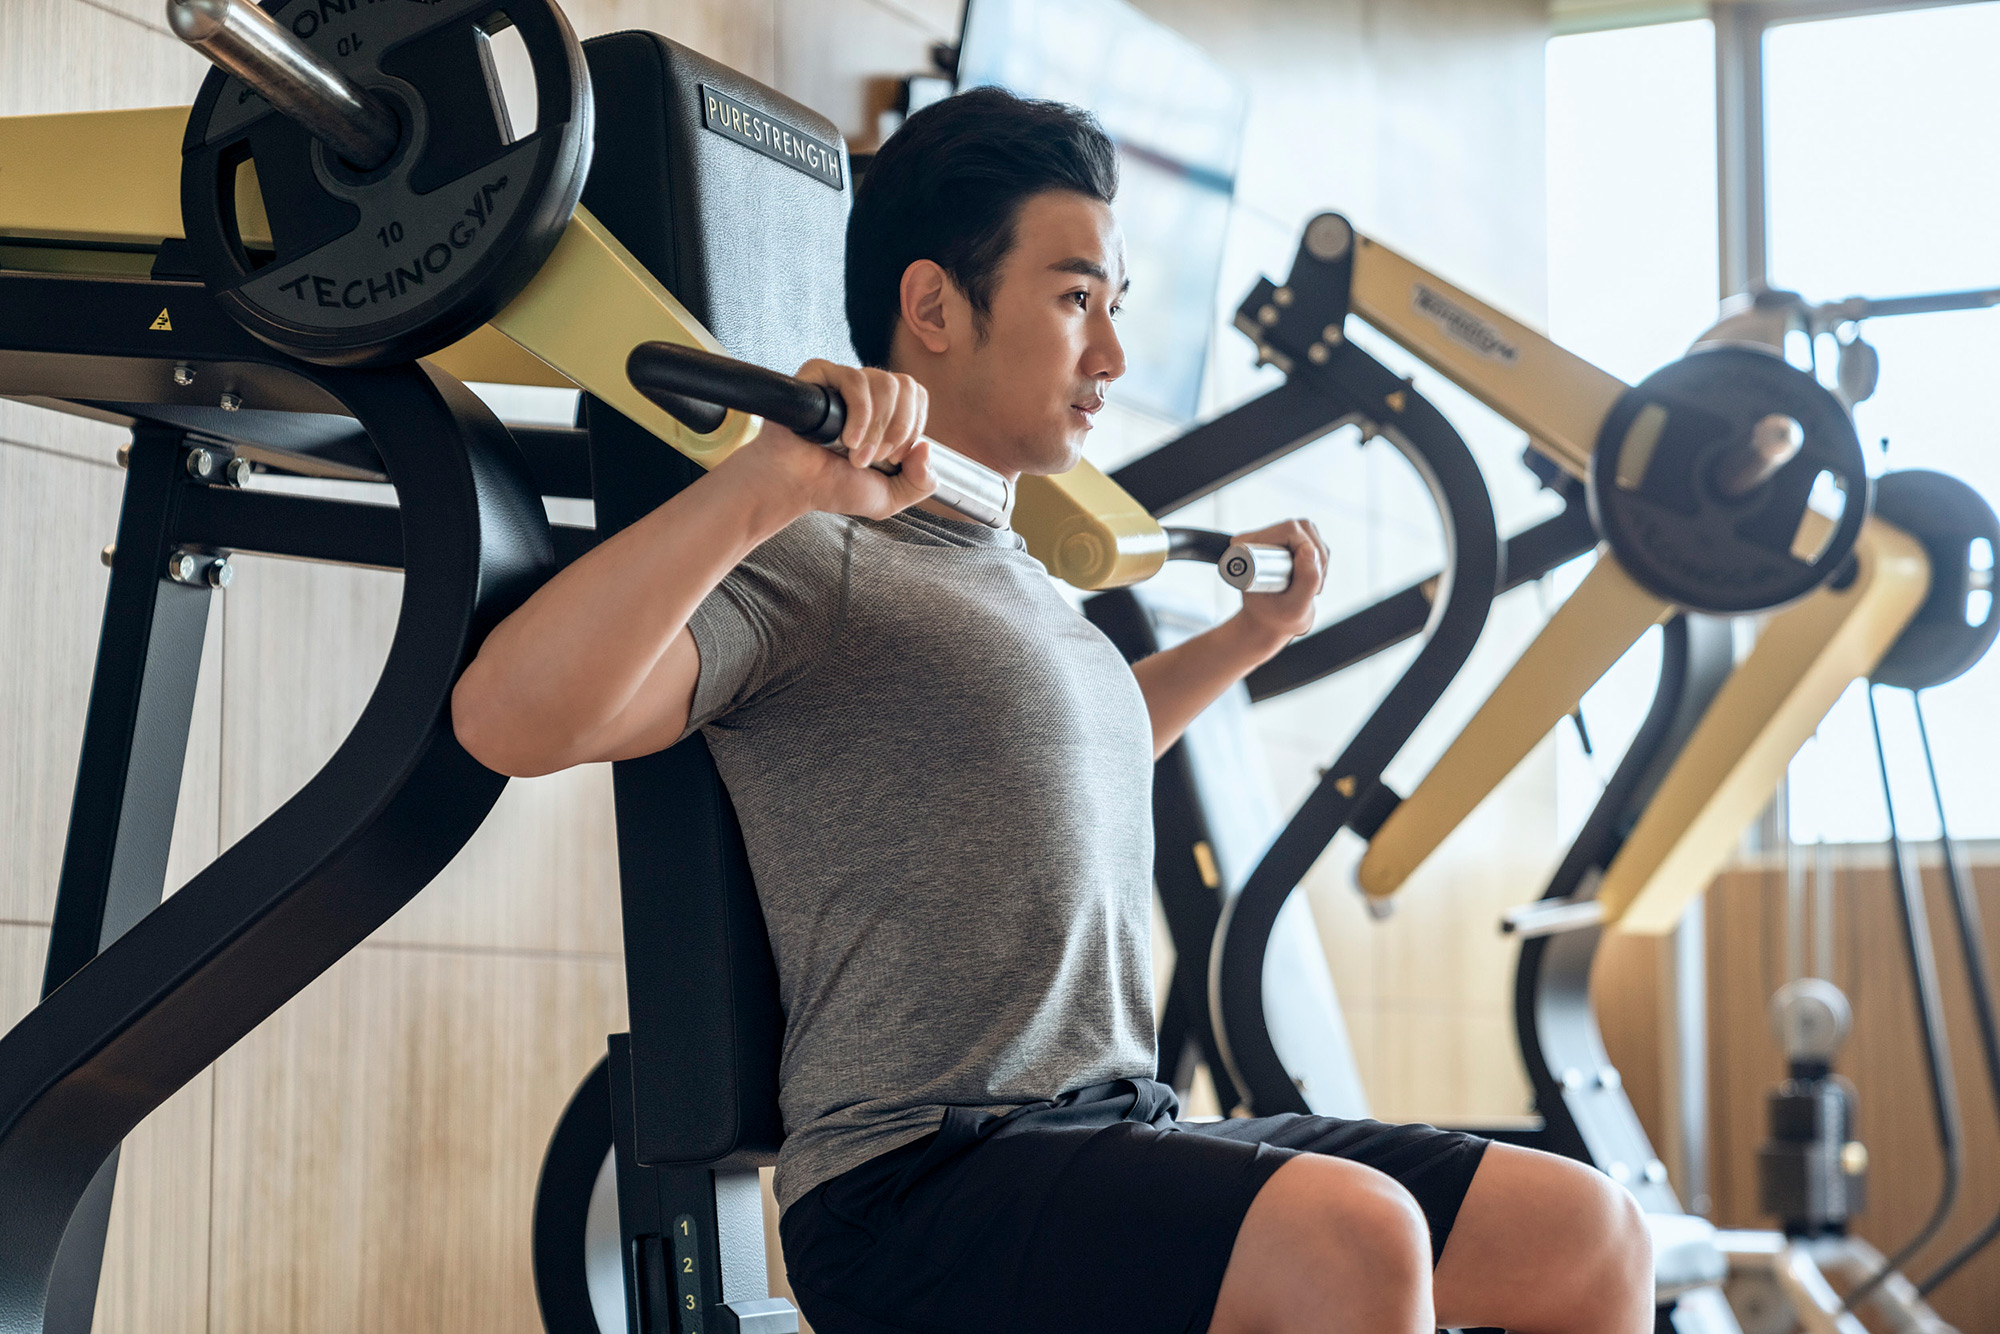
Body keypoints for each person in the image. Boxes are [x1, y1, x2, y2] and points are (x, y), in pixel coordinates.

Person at [452, 86, 1650, 1334]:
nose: (1111, 355)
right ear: (933, 308)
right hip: (917, 1177)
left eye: (1113, 306)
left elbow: (1076, 756)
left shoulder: (1014, 569)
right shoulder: (814, 555)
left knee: (1583, 1233)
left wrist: (1245, 640)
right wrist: (763, 484)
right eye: (1076, 298)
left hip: (1107, 1121)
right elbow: (505, 720)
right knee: (1350, 1238)